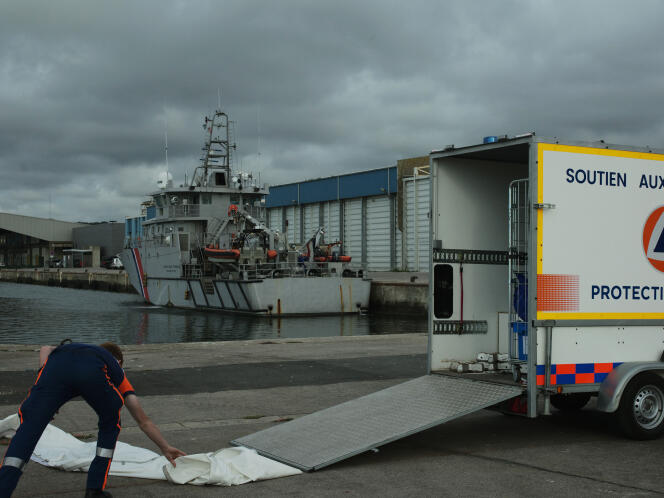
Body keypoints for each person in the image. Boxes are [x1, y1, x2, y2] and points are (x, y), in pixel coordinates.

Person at [0, 341, 186, 498]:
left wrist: (47, 397)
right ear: (118, 362)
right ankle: (94, 490)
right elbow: (142, 420)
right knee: (111, 420)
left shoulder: (72, 350)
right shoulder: (114, 368)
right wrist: (164, 447)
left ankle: (3, 488)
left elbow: (46, 348)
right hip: (89, 374)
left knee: (29, 425)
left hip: (55, 368)